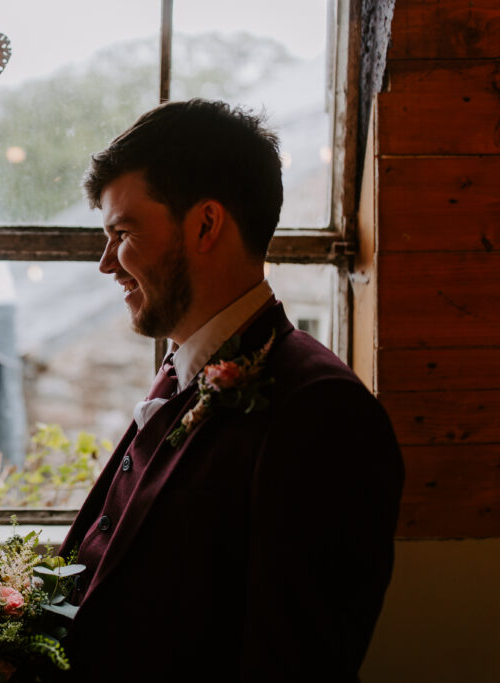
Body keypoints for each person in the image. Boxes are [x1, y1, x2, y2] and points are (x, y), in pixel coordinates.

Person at [59, 99, 404, 681]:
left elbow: (294, 663)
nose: (106, 264)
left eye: (122, 232)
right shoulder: (180, 373)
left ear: (205, 225)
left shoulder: (323, 411)